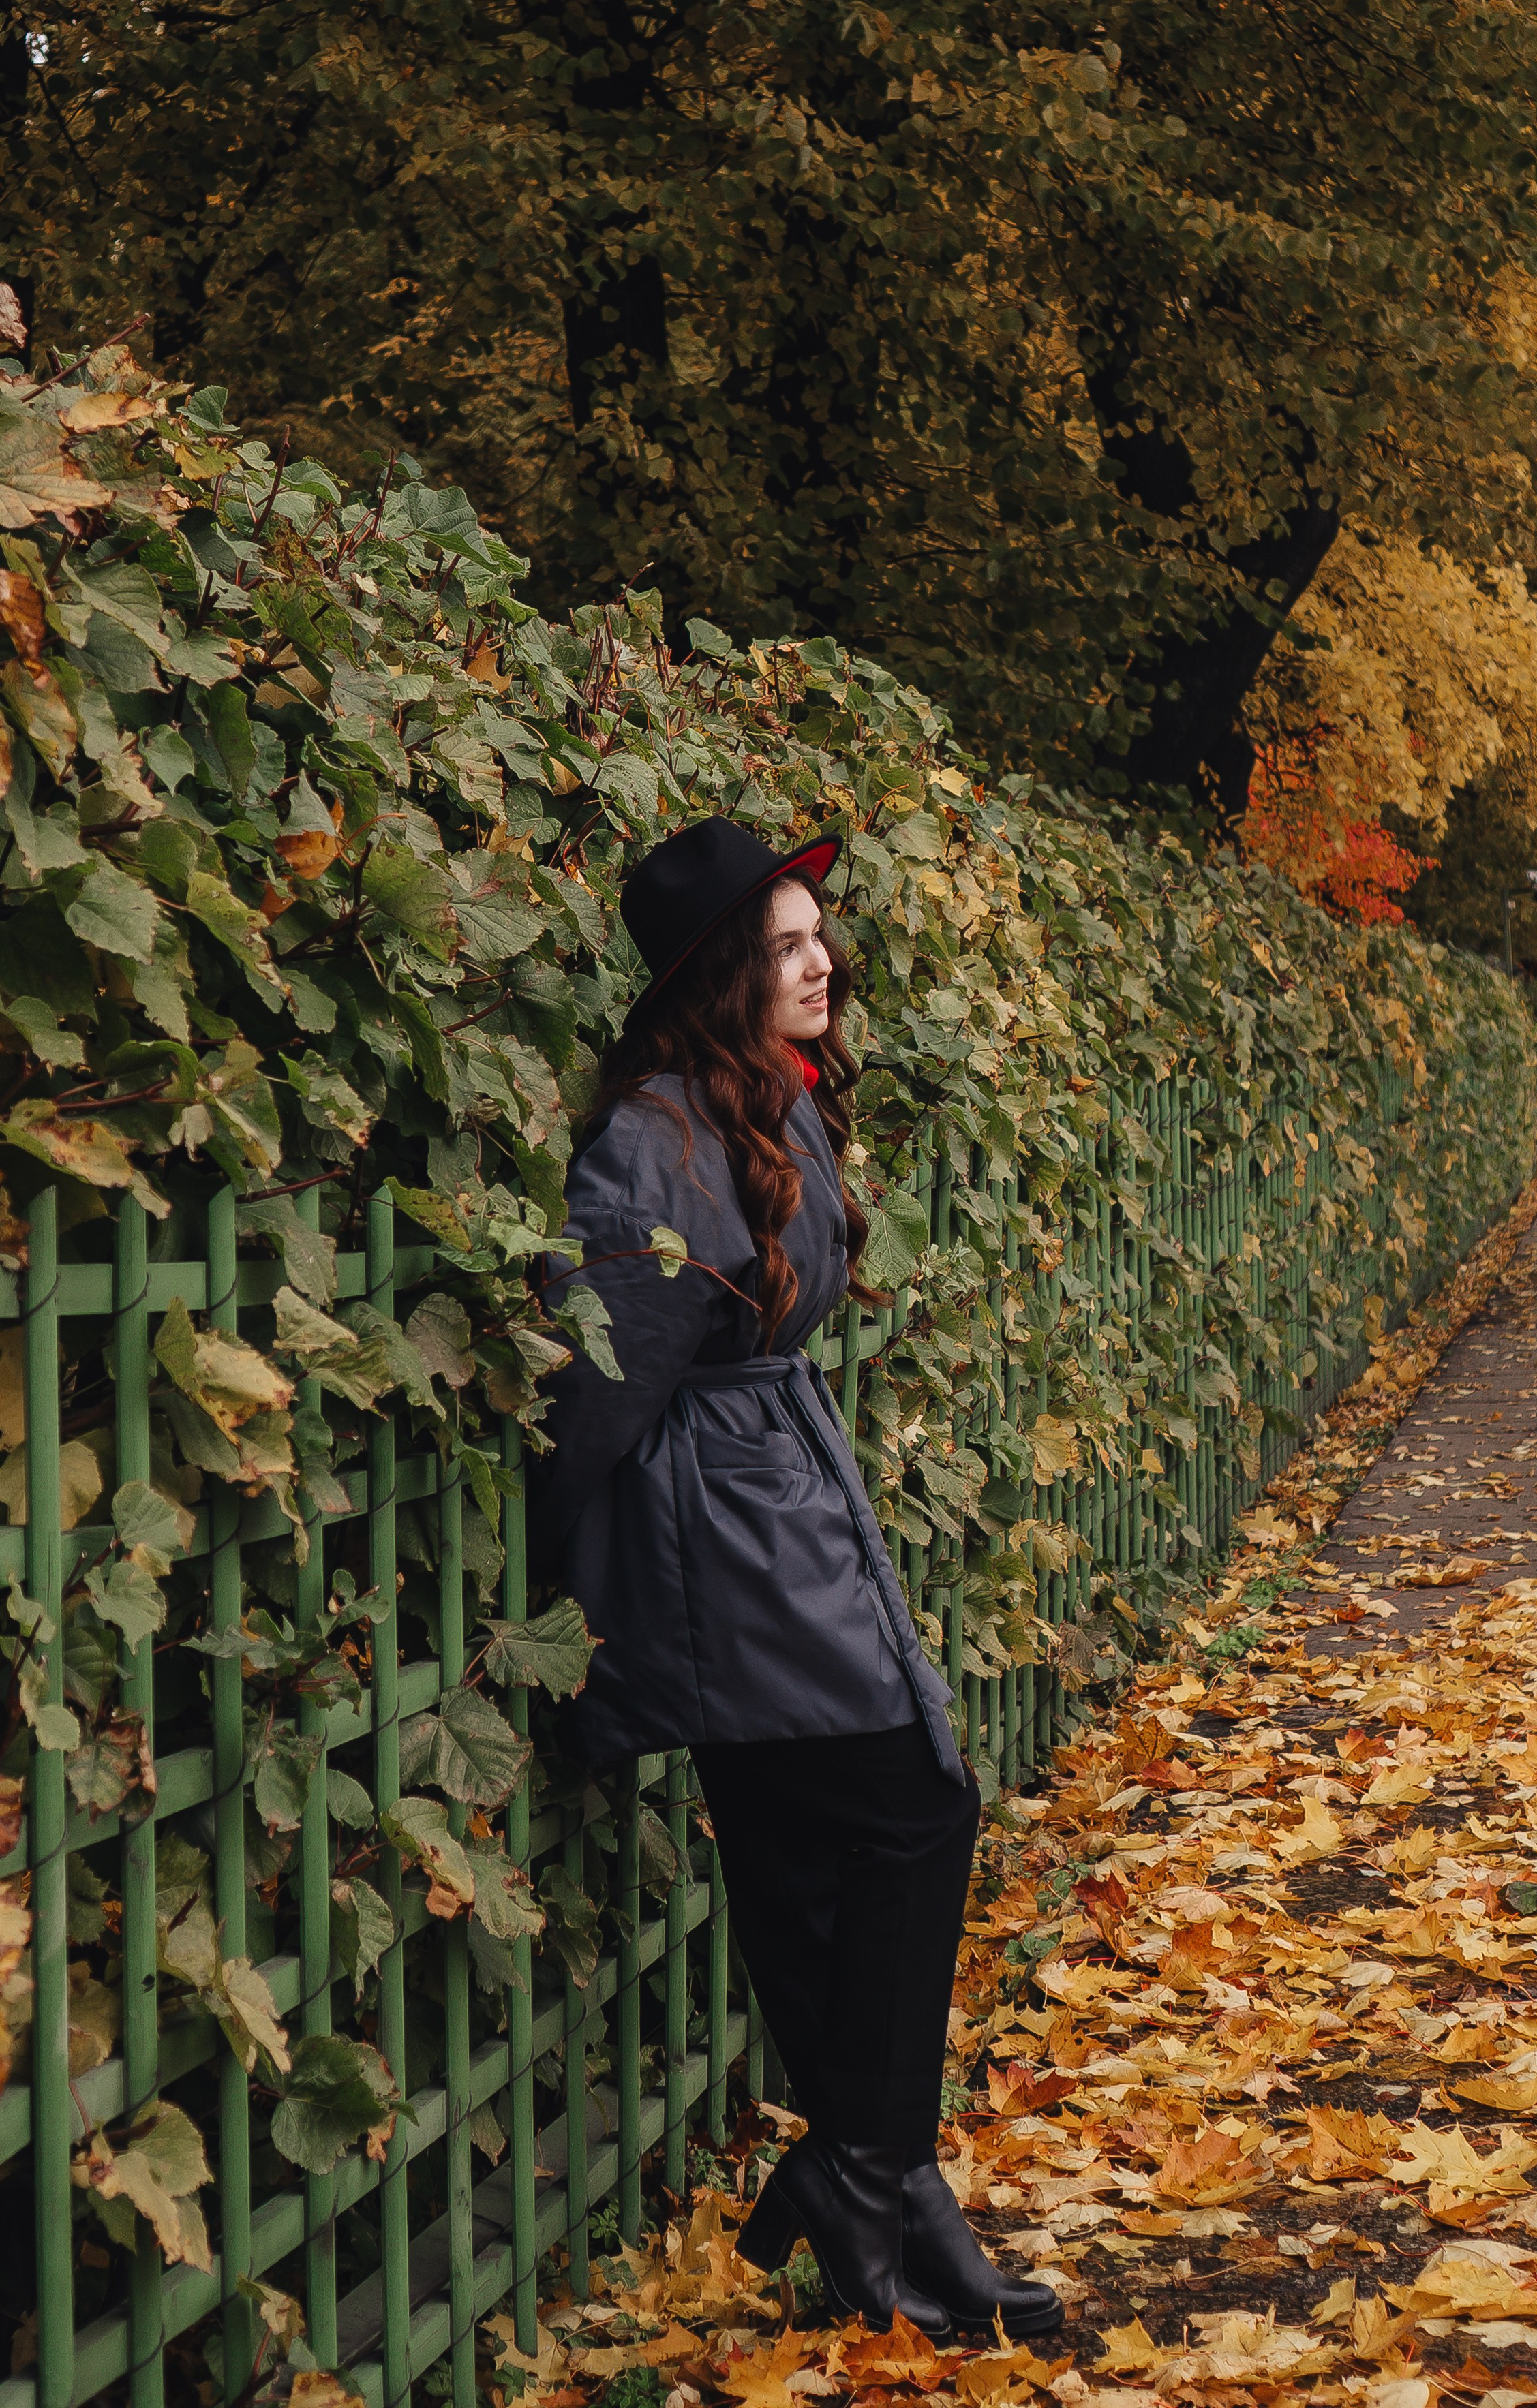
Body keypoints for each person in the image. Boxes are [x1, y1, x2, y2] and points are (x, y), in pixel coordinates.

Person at [539, 816, 1061, 2339]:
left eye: (813, 929)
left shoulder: (763, 1105)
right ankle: (871, 2172)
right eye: (782, 942)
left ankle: (884, 2200)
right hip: (721, 1535)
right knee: (919, 1803)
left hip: (765, 1496)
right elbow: (603, 1390)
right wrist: (565, 1601)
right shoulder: (657, 1133)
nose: (819, 956)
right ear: (719, 974)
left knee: (795, 1876)